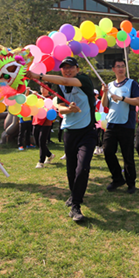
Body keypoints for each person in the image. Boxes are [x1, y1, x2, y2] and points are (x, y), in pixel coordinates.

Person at [27, 57, 96, 222]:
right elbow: (58, 107)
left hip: (87, 132)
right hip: (70, 132)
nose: (67, 70)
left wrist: (38, 76)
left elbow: (66, 80)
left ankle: (76, 206)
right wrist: (69, 109)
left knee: (83, 168)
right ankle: (74, 197)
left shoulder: (83, 80)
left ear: (77, 69)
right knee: (71, 169)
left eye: (71, 67)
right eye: (64, 68)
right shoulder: (60, 87)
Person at [101, 58, 139, 194]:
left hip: (126, 125)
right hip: (111, 124)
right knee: (107, 152)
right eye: (118, 66)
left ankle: (131, 183)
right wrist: (104, 93)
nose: (120, 69)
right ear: (113, 69)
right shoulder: (109, 85)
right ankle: (118, 178)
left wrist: (123, 98)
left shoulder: (132, 84)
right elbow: (105, 104)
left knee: (127, 155)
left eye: (123, 66)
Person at [33, 87, 56, 168]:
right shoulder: (37, 97)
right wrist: (30, 93)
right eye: (41, 87)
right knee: (37, 142)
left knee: (42, 141)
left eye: (45, 88)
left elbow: (53, 109)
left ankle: (41, 162)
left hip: (46, 122)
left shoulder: (51, 99)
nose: (43, 89)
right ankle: (49, 155)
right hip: (36, 120)